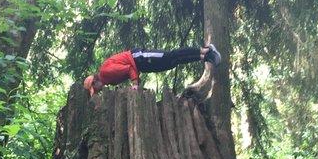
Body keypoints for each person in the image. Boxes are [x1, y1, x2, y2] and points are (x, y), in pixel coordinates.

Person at [83, 44, 221, 96]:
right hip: (142, 66)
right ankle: (203, 57)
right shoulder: (109, 82)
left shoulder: (105, 72)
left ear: (95, 82)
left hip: (139, 58)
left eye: (95, 89)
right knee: (172, 62)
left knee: (170, 55)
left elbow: (129, 68)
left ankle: (206, 50)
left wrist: (135, 84)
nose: (98, 91)